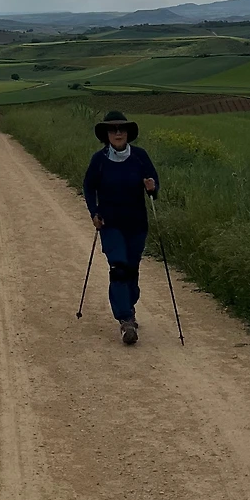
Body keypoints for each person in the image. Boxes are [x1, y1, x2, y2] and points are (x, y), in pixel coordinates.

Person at [81, 109, 159, 346]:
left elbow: (154, 185)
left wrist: (151, 187)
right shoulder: (99, 160)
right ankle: (125, 320)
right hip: (110, 223)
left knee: (132, 268)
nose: (117, 133)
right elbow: (88, 187)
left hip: (136, 224)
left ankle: (129, 307)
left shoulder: (140, 156)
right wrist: (94, 212)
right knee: (119, 268)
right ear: (106, 134)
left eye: (121, 129)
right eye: (113, 129)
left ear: (127, 133)